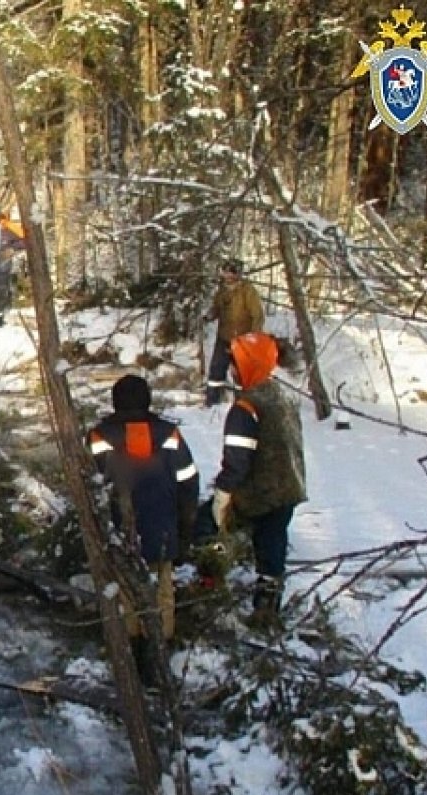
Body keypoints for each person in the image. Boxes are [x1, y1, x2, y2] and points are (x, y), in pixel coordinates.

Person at [87, 374, 199, 685]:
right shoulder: (169, 434)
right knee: (162, 591)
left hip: (118, 532)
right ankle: (159, 657)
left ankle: (132, 658)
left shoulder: (99, 436)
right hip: (163, 527)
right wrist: (185, 531)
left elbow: (90, 487)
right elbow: (189, 482)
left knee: (126, 593)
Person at [210, 331, 307, 628]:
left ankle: (212, 589)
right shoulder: (282, 395)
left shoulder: (246, 409)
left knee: (211, 531)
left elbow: (238, 460)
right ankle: (269, 603)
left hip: (261, 493)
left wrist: (223, 494)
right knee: (273, 546)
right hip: (289, 487)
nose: (231, 370)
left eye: (235, 363)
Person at [204, 259, 264, 406]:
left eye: (230, 274)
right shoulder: (222, 290)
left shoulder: (248, 291)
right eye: (225, 273)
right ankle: (212, 401)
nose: (227, 277)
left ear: (237, 275)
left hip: (242, 340)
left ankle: (241, 404)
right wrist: (210, 315)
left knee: (241, 374)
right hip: (224, 337)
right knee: (216, 370)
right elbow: (217, 307)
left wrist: (253, 338)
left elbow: (258, 315)